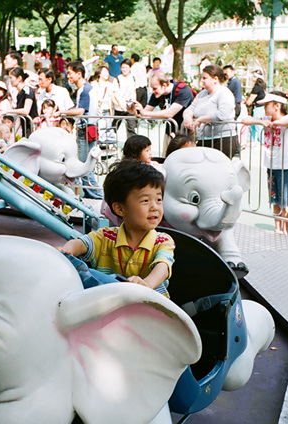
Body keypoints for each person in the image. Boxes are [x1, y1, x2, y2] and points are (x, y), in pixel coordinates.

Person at [59, 159, 174, 297]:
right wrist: (66, 251)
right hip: (109, 309)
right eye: (145, 200)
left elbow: (163, 267)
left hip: (149, 310)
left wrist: (147, 284)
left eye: (158, 199)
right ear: (120, 208)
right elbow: (81, 243)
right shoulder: (105, 237)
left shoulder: (162, 242)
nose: (155, 207)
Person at [242, 92, 288, 235]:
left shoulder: (284, 119)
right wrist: (262, 122)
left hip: (285, 166)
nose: (264, 107)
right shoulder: (266, 118)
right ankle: (277, 228)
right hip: (271, 166)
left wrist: (275, 123)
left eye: (267, 105)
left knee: (285, 201)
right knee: (275, 200)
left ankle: (286, 230)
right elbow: (245, 120)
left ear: (277, 106)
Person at [60, 61, 103, 199]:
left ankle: (96, 195)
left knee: (85, 165)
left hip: (86, 130)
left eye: (70, 73)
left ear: (79, 74)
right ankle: (93, 194)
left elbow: (80, 111)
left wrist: (62, 112)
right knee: (85, 164)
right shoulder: (83, 89)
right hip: (86, 129)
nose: (68, 76)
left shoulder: (85, 90)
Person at [182, 65, 238, 158]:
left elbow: (222, 115)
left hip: (222, 140)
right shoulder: (202, 94)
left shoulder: (225, 93)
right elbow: (191, 108)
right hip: (204, 139)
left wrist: (201, 119)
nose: (202, 80)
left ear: (215, 79)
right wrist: (187, 117)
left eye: (205, 78)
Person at [129, 71, 194, 141]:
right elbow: (144, 113)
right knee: (166, 152)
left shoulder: (183, 90)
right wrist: (134, 112)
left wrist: (144, 113)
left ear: (164, 85)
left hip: (185, 132)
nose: (153, 91)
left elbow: (170, 113)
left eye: (154, 88)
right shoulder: (157, 94)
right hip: (170, 131)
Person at [7, 66, 38, 136]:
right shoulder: (19, 94)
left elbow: (26, 110)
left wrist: (8, 111)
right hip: (25, 129)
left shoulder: (28, 90)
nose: (10, 80)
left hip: (32, 128)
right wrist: (13, 133)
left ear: (19, 78)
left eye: (11, 78)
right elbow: (19, 116)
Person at [113, 59, 138, 138]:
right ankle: (110, 142)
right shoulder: (117, 79)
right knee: (114, 127)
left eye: (126, 67)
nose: (124, 69)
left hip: (130, 107)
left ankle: (131, 145)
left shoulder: (133, 78)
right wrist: (120, 104)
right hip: (119, 107)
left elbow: (134, 92)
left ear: (130, 68)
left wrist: (134, 103)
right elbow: (115, 93)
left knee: (131, 127)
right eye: (123, 67)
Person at [245, 70, 267, 144]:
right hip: (261, 107)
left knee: (257, 125)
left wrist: (246, 103)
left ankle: (261, 141)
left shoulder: (256, 87)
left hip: (258, 108)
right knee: (253, 125)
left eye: (254, 76)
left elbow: (250, 100)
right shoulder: (262, 86)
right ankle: (254, 139)